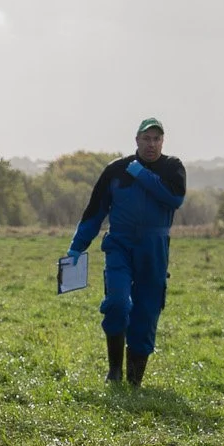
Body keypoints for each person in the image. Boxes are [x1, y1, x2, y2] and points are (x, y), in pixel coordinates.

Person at [67, 117, 186, 385]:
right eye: (146, 138)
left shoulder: (172, 168)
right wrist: (77, 247)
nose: (151, 144)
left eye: (156, 139)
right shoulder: (116, 170)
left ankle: (134, 380)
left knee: (146, 311)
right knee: (118, 303)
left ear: (162, 141)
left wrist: (143, 175)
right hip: (119, 245)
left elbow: (175, 199)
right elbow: (95, 211)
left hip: (154, 249)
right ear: (137, 140)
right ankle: (114, 372)